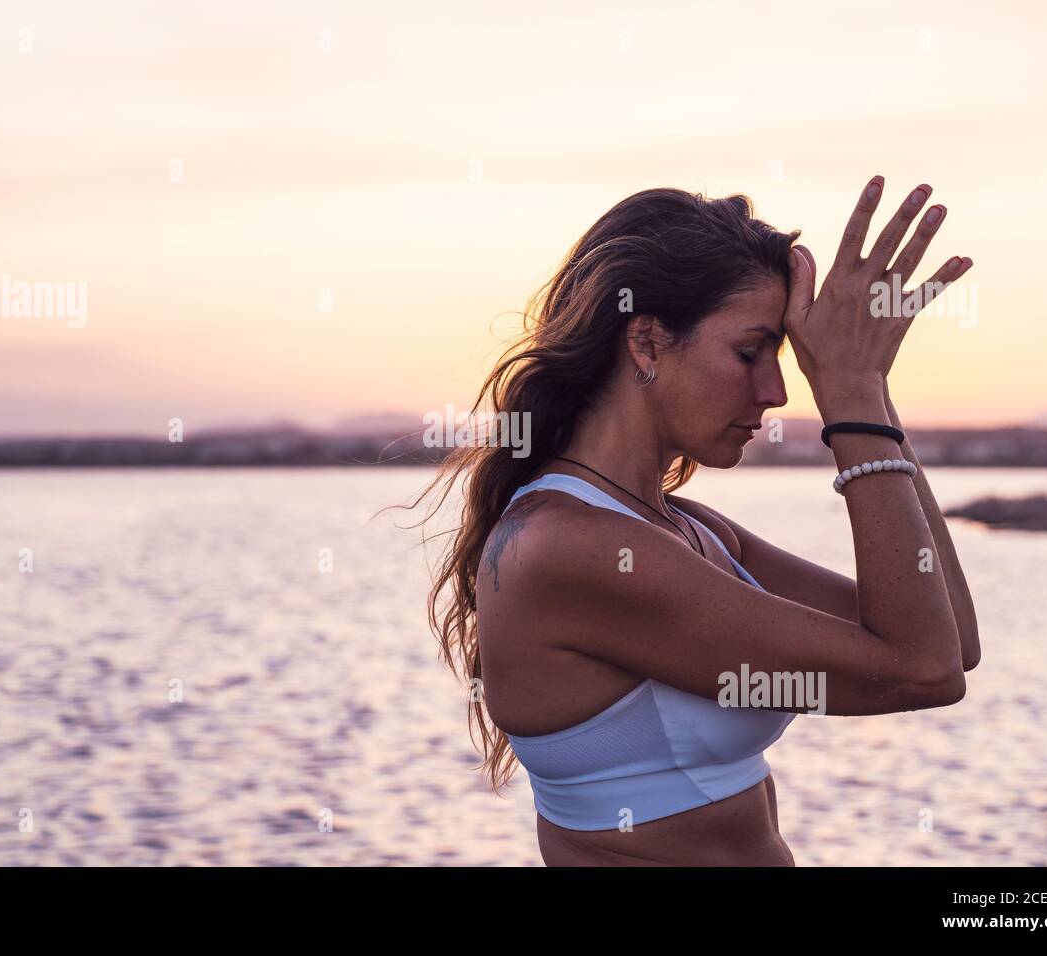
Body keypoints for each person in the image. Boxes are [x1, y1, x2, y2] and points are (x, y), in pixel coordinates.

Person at [408, 176, 981, 866]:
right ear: (646, 341)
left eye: (785, 357)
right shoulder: (569, 547)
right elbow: (924, 670)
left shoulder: (689, 531)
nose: (775, 391)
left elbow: (952, 637)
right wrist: (848, 391)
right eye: (750, 352)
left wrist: (872, 388)